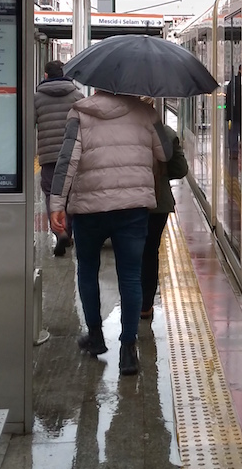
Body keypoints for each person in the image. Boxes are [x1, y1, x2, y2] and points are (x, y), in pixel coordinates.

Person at [49, 90, 169, 376]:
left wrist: (57, 204)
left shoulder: (80, 113)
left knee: (88, 270)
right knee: (130, 276)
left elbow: (68, 161)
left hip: (90, 209)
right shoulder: (145, 112)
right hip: (133, 208)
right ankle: (128, 350)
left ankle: (96, 336)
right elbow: (164, 152)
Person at [140, 106, 189, 324]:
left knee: (130, 254)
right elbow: (180, 170)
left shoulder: (124, 129)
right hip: (158, 204)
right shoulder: (165, 133)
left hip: (130, 203)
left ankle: (132, 301)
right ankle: (146, 305)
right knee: (150, 252)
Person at [35, 60, 84, 256]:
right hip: (72, 154)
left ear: (46, 75)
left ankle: (59, 232)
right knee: (71, 195)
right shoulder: (77, 95)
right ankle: (69, 232)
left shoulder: (37, 98)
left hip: (48, 157)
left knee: (51, 195)